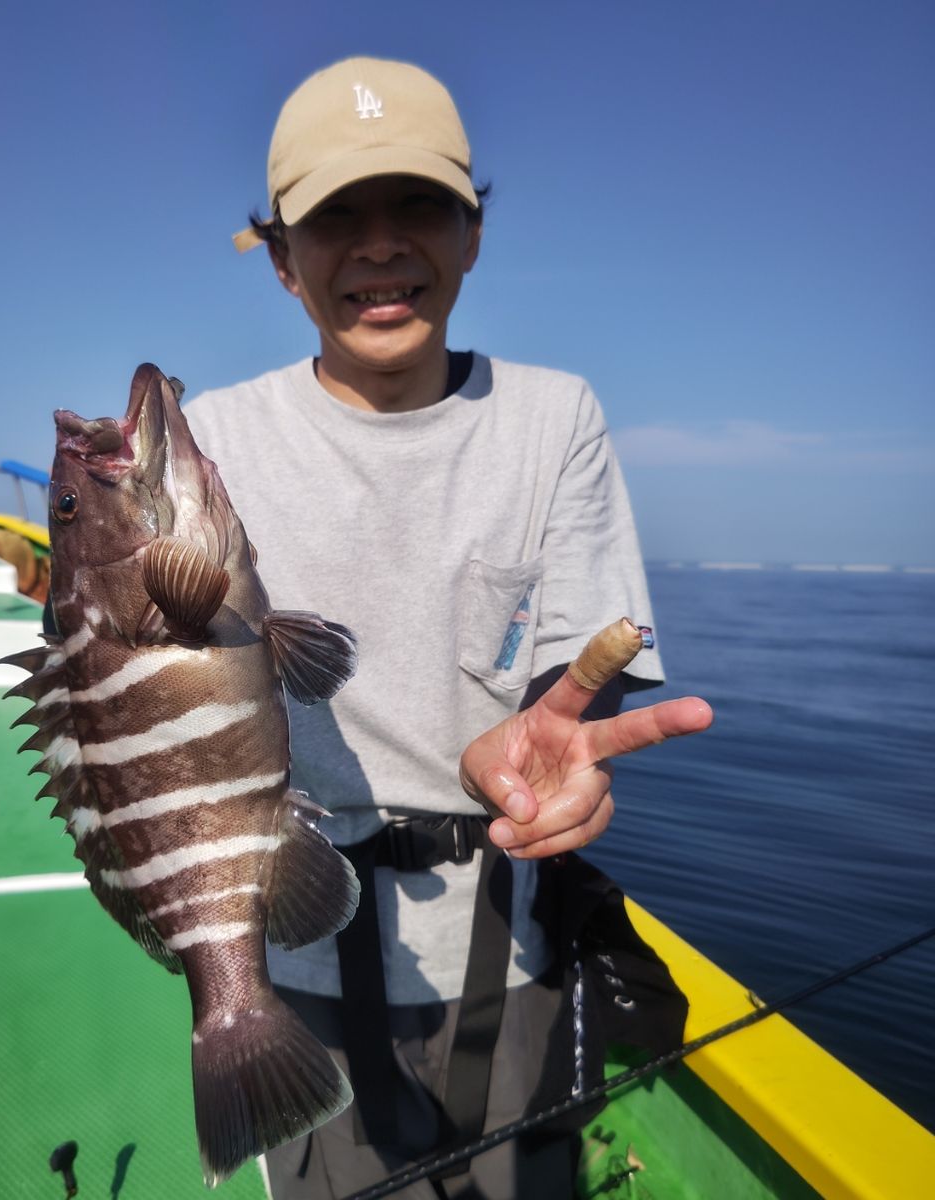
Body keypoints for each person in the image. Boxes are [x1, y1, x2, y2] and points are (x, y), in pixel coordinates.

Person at [184, 57, 712, 1200]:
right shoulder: (211, 440)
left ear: (472, 234)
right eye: (336, 217)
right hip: (294, 952)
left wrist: (552, 745)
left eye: (418, 205)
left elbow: (586, 670)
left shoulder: (553, 417)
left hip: (508, 948)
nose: (380, 246)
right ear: (281, 259)